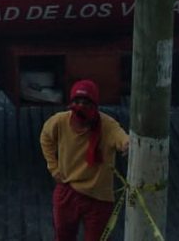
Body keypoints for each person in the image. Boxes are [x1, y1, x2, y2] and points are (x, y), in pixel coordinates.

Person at [40, 80, 130, 241]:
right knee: (62, 236)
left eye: (86, 103)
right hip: (67, 190)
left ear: (95, 105)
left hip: (98, 198)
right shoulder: (59, 121)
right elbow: (46, 137)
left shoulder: (107, 125)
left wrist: (128, 146)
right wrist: (53, 167)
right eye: (77, 102)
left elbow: (122, 138)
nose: (80, 107)